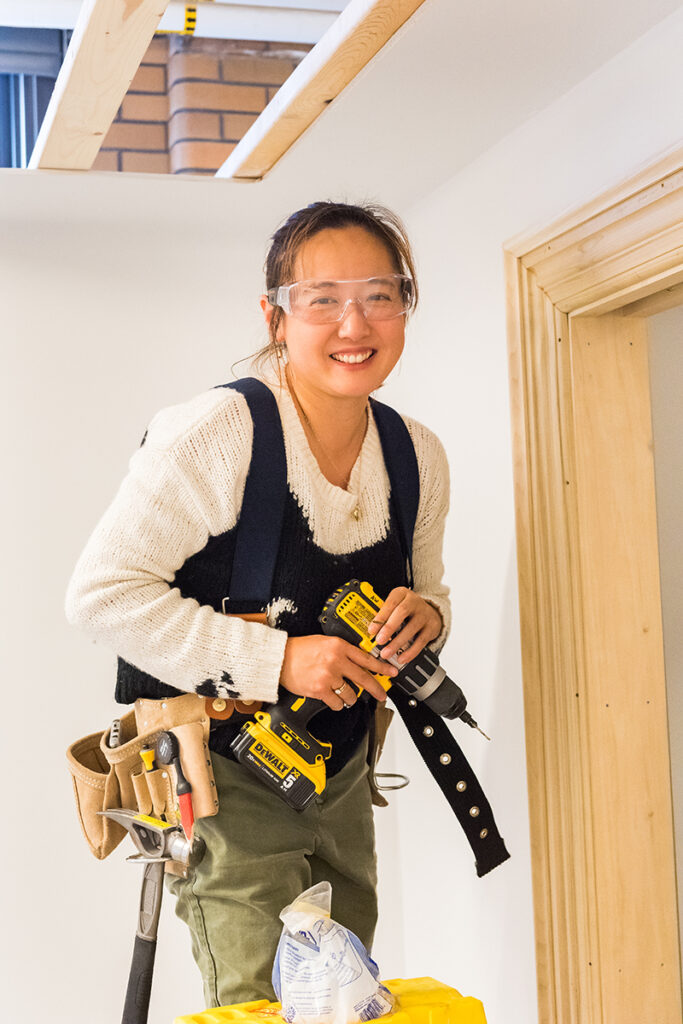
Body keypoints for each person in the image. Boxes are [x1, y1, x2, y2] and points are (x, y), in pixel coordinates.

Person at [65, 201, 451, 1009]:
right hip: (224, 775)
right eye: (322, 298)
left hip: (340, 774)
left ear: (405, 306)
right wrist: (279, 660)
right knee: (257, 1003)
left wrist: (430, 616)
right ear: (275, 314)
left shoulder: (416, 453)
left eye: (379, 295)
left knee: (345, 997)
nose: (354, 322)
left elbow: (429, 584)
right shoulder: (216, 433)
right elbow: (102, 595)